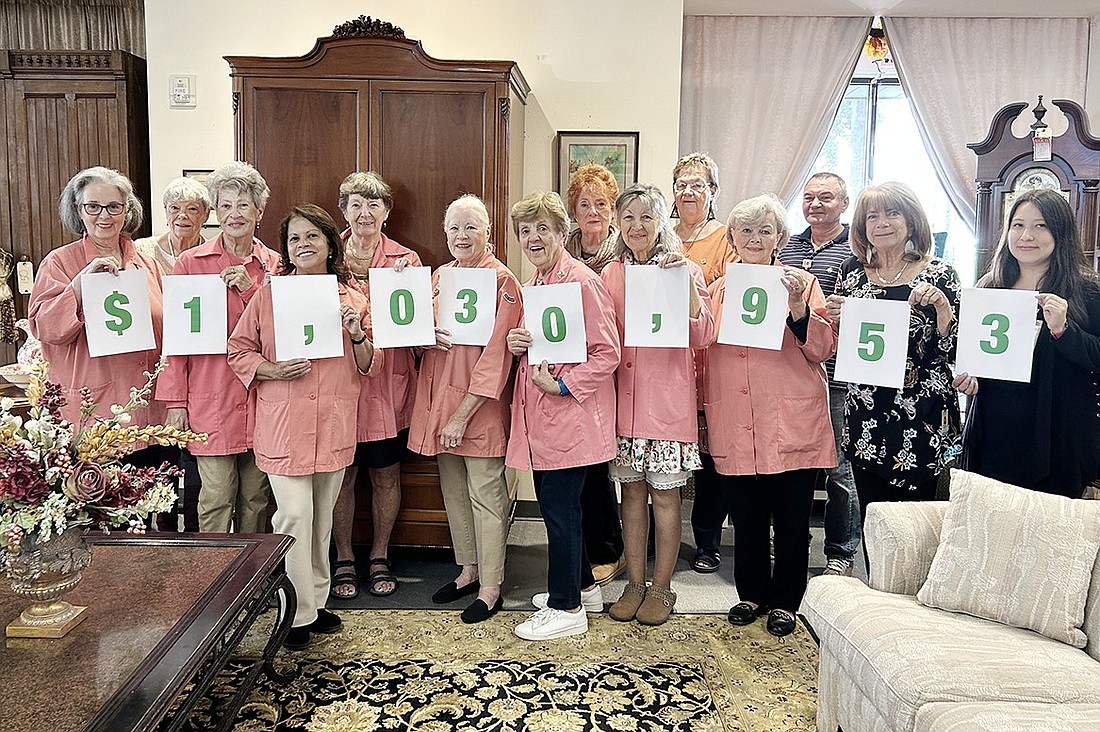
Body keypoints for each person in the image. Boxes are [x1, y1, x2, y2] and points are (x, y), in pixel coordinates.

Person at [227, 204, 380, 650]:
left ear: (331, 243)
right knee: (293, 515)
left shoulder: (353, 299)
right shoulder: (268, 295)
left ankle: (316, 600)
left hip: (333, 424)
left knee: (321, 519)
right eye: (295, 238)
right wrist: (270, 370)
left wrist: (356, 336)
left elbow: (372, 364)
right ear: (286, 249)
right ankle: (293, 612)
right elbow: (239, 350)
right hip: (284, 424)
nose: (303, 245)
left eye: (313, 236)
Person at [703, 194, 836, 638]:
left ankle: (786, 600)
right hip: (737, 420)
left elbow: (821, 349)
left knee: (793, 519)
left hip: (789, 421)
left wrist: (798, 307)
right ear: (733, 239)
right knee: (747, 517)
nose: (755, 239)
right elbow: (702, 350)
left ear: (779, 237)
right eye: (745, 231)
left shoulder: (802, 283)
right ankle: (751, 593)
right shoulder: (718, 290)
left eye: (765, 231)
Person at [506, 191, 620, 641]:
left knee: (559, 513)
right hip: (545, 420)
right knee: (561, 508)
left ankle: (566, 607)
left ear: (560, 233)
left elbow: (608, 352)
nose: (534, 238)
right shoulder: (533, 285)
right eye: (525, 230)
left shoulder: (581, 281)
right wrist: (521, 346)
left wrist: (566, 385)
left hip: (570, 419)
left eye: (543, 229)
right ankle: (584, 588)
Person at [601, 184, 713, 626]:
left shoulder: (683, 270)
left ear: (662, 221)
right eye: (628, 218)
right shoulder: (611, 274)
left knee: (665, 498)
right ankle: (634, 582)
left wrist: (683, 281)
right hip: (624, 404)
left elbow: (703, 336)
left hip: (667, 405)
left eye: (647, 217)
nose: (637, 226)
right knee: (630, 495)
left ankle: (663, 588)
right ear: (618, 224)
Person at [408, 194, 522, 624]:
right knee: (453, 492)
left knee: (486, 495)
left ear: (488, 232)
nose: (461, 235)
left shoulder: (503, 281)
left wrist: (462, 414)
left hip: (480, 408)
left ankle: (491, 585)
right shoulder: (439, 277)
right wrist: (423, 335)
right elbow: (419, 335)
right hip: (438, 400)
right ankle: (468, 569)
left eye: (471, 227)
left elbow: (498, 356)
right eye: (454, 228)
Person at [825, 181, 962, 521]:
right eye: (872, 216)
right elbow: (845, 344)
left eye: (892, 213)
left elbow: (958, 350)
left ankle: (912, 578)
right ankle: (877, 577)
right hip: (865, 411)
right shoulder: (852, 273)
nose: (882, 223)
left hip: (920, 412)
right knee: (872, 516)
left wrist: (944, 311)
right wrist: (837, 319)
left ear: (912, 221)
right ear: (862, 227)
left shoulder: (941, 274)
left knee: (914, 523)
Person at [158, 162, 280, 535]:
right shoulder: (190, 264)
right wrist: (176, 402)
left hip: (263, 398)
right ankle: (212, 579)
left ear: (259, 212)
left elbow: (280, 333)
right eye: (225, 206)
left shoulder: (276, 265)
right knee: (215, 496)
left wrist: (251, 290)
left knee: (257, 498)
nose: (234, 214)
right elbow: (176, 340)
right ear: (215, 212)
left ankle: (253, 579)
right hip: (210, 397)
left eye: (244, 205)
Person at [959, 189, 1100, 498]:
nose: (1027, 235)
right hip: (995, 433)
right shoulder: (991, 287)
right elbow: (977, 356)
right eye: (1018, 225)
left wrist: (1064, 330)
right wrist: (970, 377)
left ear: (1060, 232)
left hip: (1057, 438)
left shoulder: (1086, 290)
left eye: (1040, 226)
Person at [329, 171, 421, 600]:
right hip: (338, 388)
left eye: (373, 205)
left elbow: (418, 325)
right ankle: (344, 556)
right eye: (355, 204)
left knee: (386, 476)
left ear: (386, 212)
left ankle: (380, 554)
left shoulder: (407, 260)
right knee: (342, 478)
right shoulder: (326, 256)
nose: (364, 214)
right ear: (343, 210)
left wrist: (408, 284)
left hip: (388, 387)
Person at [28, 166, 166, 443]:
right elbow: (45, 328)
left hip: (150, 416)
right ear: (78, 211)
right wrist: (78, 286)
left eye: (114, 207)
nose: (104, 216)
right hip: (94, 418)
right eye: (93, 206)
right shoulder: (59, 262)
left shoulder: (147, 264)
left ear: (127, 211)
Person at [776, 172, 859, 576]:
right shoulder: (786, 249)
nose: (816, 204)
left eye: (826, 197)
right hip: (793, 373)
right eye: (809, 197)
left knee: (838, 465)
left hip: (839, 372)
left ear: (844, 203)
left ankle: (840, 552)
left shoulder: (858, 250)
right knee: (796, 463)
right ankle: (792, 542)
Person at [670, 152, 738, 575]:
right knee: (671, 455)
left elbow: (729, 295)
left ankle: (707, 540)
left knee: (711, 458)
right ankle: (665, 535)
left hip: (709, 360)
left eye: (698, 184)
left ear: (713, 192)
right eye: (681, 185)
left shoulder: (726, 239)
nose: (688, 192)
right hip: (668, 364)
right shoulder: (664, 235)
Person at [562, 164, 625, 585]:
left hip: (608, 365)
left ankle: (609, 548)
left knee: (599, 465)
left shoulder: (622, 253)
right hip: (567, 366)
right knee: (576, 465)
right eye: (584, 204)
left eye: (600, 204)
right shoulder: (561, 249)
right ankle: (582, 547)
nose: (593, 211)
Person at [133, 177, 211, 274]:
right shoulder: (141, 250)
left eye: (192, 209)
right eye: (174, 208)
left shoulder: (212, 254)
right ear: (166, 212)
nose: (182, 215)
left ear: (206, 215)